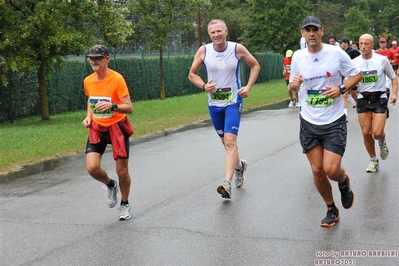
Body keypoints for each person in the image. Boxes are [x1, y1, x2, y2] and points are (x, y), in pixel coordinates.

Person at [288, 16, 363, 227]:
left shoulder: (336, 53)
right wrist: (293, 86)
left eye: (315, 29)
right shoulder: (298, 57)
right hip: (309, 120)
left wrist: (340, 89)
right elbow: (292, 87)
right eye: (307, 30)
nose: (311, 33)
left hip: (334, 120)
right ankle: (331, 208)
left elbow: (357, 76)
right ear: (302, 33)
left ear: (322, 32)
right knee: (317, 170)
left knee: (331, 170)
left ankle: (343, 181)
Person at [188, 19, 260, 199]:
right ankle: (239, 166)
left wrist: (248, 87)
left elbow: (255, 65)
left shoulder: (237, 49)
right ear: (209, 35)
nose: (216, 35)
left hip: (233, 101)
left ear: (226, 31)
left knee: (230, 141)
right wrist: (204, 86)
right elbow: (192, 74)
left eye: (219, 31)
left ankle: (227, 183)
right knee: (225, 143)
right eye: (212, 33)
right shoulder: (204, 51)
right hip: (214, 104)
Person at [82, 44, 134, 220]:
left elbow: (129, 108)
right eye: (91, 58)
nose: (94, 61)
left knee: (122, 172)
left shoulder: (117, 79)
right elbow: (91, 99)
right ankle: (111, 185)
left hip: (116, 127)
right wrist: (89, 116)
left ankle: (125, 203)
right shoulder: (88, 80)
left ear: (107, 59)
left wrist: (113, 105)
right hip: (97, 128)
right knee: (92, 168)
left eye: (98, 58)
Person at [352, 34, 398, 173]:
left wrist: (394, 94)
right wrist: (355, 94)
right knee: (366, 133)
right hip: (363, 98)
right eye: (361, 43)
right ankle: (373, 160)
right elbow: (349, 83)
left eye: (366, 44)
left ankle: (382, 142)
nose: (363, 46)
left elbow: (394, 78)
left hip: (379, 97)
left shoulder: (382, 60)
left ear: (373, 45)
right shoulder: (354, 62)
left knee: (377, 133)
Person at [338, 37, 361, 117]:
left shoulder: (353, 51)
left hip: (353, 76)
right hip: (344, 76)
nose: (340, 44)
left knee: (354, 94)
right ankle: (345, 114)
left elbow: (360, 61)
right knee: (344, 94)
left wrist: (358, 77)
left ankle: (360, 104)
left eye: (341, 43)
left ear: (346, 43)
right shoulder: (340, 52)